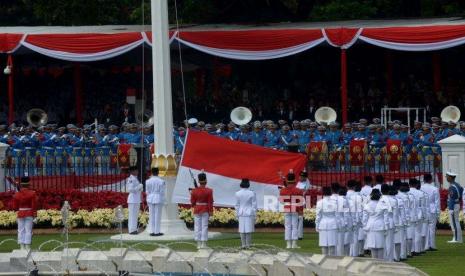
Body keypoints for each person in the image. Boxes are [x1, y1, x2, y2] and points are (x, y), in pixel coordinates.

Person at [363, 189, 390, 260]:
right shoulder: (383, 204)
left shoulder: (367, 205)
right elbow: (386, 218)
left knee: (373, 246)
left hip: (370, 226)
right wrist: (387, 227)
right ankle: (380, 263)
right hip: (380, 226)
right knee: (380, 246)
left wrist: (365, 227)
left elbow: (364, 219)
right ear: (380, 196)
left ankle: (374, 263)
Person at [11, 176, 38, 251]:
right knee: (28, 230)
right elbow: (34, 206)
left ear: (21, 184)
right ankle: (27, 246)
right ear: (29, 184)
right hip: (29, 213)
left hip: (20, 213)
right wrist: (35, 215)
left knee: (20, 230)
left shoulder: (17, 194)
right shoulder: (32, 193)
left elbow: (14, 207)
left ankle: (21, 246)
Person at [279, 170, 303, 249]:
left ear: (287, 180)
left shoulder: (282, 190)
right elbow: (300, 202)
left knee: (287, 227)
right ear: (294, 180)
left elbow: (281, 201)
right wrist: (300, 212)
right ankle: (294, 244)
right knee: (294, 226)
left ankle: (288, 244)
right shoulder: (298, 190)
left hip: (287, 208)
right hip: (295, 208)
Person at [190, 171, 214, 249]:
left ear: (199, 181)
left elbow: (192, 202)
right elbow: (210, 202)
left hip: (197, 209)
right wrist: (211, 212)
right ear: (205, 180)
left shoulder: (194, 191)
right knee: (204, 226)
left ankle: (198, 243)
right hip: (205, 209)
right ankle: (203, 243)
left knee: (197, 226)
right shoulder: (209, 190)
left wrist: (195, 205)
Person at [234, 178, 257, 249]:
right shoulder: (252, 193)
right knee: (248, 230)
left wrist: (237, 213)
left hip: (241, 212)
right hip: (249, 212)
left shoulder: (237, 193)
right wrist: (254, 213)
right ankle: (248, 245)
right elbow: (254, 205)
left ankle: (243, 245)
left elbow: (237, 205)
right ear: (248, 184)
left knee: (242, 229)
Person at [316, 187, 338, 256]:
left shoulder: (320, 202)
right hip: (333, 224)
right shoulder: (335, 202)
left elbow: (318, 215)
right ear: (331, 193)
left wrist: (317, 225)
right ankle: (332, 260)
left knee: (324, 244)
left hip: (323, 224)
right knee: (332, 244)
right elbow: (337, 215)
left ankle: (324, 259)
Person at [145, 167, 165, 236]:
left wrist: (148, 199)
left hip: (150, 198)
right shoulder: (161, 181)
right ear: (158, 172)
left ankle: (152, 231)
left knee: (152, 215)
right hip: (158, 197)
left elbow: (147, 192)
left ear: (152, 172)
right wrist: (163, 200)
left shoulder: (148, 181)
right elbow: (162, 192)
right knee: (157, 215)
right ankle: (157, 231)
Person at [446, 171, 463, 243]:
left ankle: (456, 239)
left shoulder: (452, 186)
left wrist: (451, 209)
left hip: (453, 206)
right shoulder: (457, 185)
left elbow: (452, 198)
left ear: (450, 177)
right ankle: (459, 239)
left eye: (447, 176)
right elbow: (461, 191)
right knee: (456, 222)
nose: (446, 178)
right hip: (457, 204)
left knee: (453, 222)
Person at [126, 166, 143, 234]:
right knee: (132, 215)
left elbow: (137, 189)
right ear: (132, 171)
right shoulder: (131, 179)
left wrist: (140, 188)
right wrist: (139, 186)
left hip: (136, 199)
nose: (137, 172)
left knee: (135, 215)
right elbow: (130, 189)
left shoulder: (135, 178)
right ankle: (131, 230)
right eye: (136, 170)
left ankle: (134, 229)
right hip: (132, 200)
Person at [296, 170, 311, 240]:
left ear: (305, 177)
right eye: (300, 176)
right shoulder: (299, 182)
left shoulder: (306, 183)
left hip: (300, 201)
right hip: (295, 201)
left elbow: (302, 191)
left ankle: (299, 235)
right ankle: (295, 234)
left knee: (300, 218)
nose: (300, 178)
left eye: (302, 177)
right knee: (295, 219)